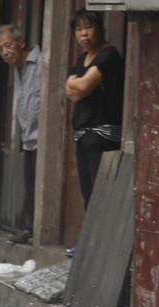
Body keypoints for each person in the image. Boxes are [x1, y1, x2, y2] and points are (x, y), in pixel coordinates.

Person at [64, 10, 124, 208]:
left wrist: (79, 84)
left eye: (88, 27)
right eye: (79, 29)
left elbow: (80, 87)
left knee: (101, 194)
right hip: (83, 134)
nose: (84, 34)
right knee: (88, 194)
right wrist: (80, 85)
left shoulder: (109, 55)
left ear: (100, 28)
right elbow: (70, 92)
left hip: (102, 134)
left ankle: (102, 239)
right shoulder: (82, 58)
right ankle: (91, 238)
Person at [0, 24, 41, 245]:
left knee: (37, 185)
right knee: (30, 184)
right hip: (28, 137)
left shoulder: (40, 62)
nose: (4, 52)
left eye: (7, 46)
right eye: (0, 49)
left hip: (43, 137)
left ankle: (34, 230)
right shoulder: (18, 68)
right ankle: (29, 229)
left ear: (21, 43)